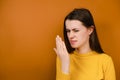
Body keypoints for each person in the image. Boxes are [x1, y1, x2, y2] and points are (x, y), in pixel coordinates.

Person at [54, 8, 116, 80]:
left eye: (76, 30)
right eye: (68, 31)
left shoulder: (105, 61)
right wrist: (65, 64)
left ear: (90, 30)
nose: (70, 36)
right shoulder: (62, 57)